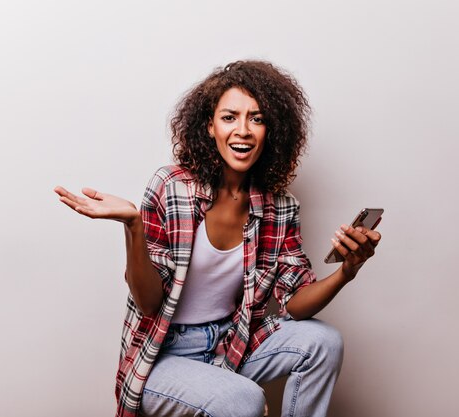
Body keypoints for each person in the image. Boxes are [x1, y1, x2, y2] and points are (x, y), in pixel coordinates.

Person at [54, 60, 381, 417]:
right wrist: (133, 225)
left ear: (271, 130)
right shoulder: (172, 187)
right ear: (209, 127)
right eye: (229, 117)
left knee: (324, 342)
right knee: (244, 401)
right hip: (163, 357)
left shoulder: (281, 207)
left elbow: (295, 304)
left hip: (231, 344)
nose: (243, 130)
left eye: (257, 119)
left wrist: (347, 271)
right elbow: (148, 303)